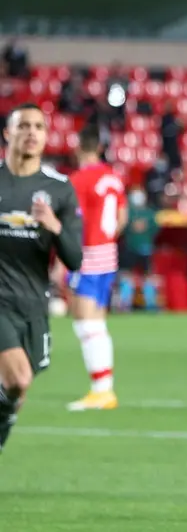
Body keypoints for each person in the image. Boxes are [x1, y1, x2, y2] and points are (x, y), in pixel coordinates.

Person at [0, 103, 83, 452]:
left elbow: (75, 259)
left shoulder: (60, 190)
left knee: (19, 387)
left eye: (38, 127)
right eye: (24, 126)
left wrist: (55, 227)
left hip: (33, 303)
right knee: (17, 377)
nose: (32, 133)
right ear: (8, 134)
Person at [66, 127, 127, 411]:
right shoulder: (113, 178)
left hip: (87, 255)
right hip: (108, 254)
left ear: (79, 148)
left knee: (85, 322)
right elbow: (122, 217)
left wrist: (61, 260)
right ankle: (104, 388)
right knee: (97, 321)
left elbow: (72, 222)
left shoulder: (79, 179)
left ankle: (101, 390)